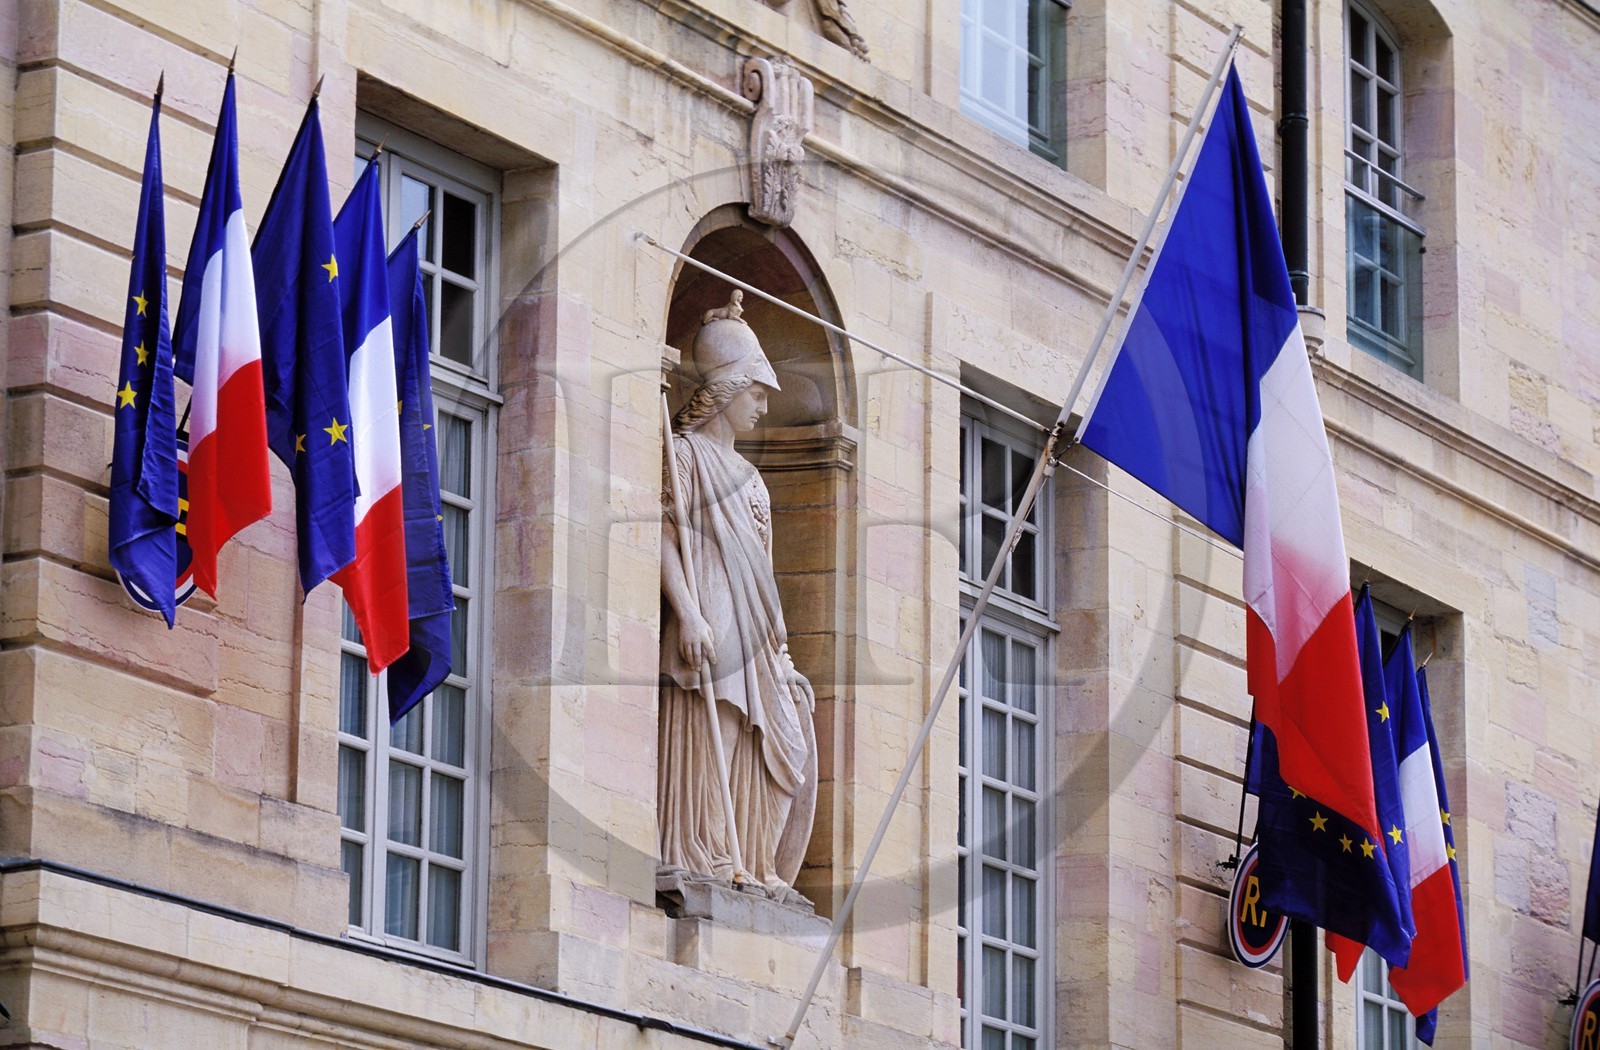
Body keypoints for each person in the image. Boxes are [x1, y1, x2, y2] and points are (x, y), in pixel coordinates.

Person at [658, 293, 817, 903]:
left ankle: (752, 856)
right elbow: (663, 536)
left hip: (754, 622)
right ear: (725, 391)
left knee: (777, 741)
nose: (763, 403)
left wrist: (783, 655)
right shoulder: (686, 455)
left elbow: (767, 569)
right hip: (710, 608)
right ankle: (705, 850)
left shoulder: (754, 480)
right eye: (756, 391)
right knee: (718, 728)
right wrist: (688, 612)